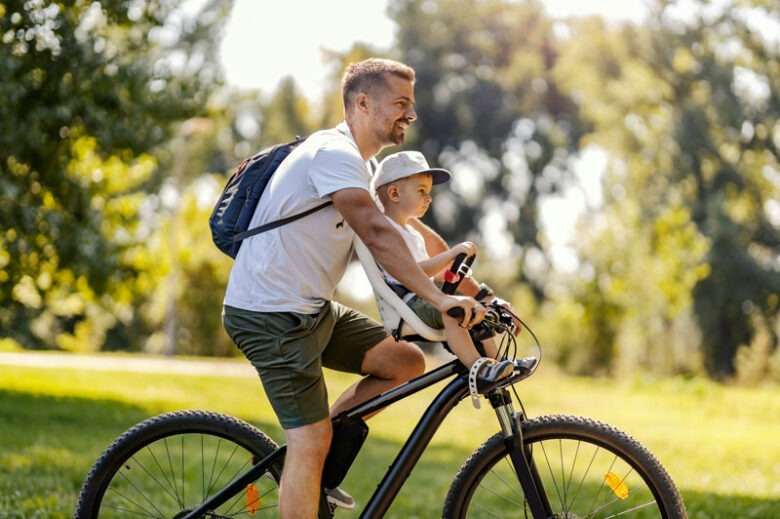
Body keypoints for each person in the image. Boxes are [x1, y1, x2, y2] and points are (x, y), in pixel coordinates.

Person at [221, 58, 487, 519]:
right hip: (271, 314)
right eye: (401, 103)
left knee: (403, 360)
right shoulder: (334, 155)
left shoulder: (365, 167)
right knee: (311, 439)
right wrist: (440, 299)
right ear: (363, 102)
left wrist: (477, 293)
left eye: (412, 104)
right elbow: (376, 234)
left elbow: (409, 238)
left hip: (310, 310)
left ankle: (312, 471)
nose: (411, 114)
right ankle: (306, 467)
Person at [371, 151, 515, 386]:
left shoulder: (412, 233)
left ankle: (498, 361)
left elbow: (426, 273)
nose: (428, 198)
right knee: (453, 309)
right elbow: (413, 272)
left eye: (429, 193)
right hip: (409, 303)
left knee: (474, 308)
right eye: (421, 191)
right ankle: (478, 367)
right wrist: (450, 255)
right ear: (394, 193)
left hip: (424, 296)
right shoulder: (387, 231)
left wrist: (448, 274)